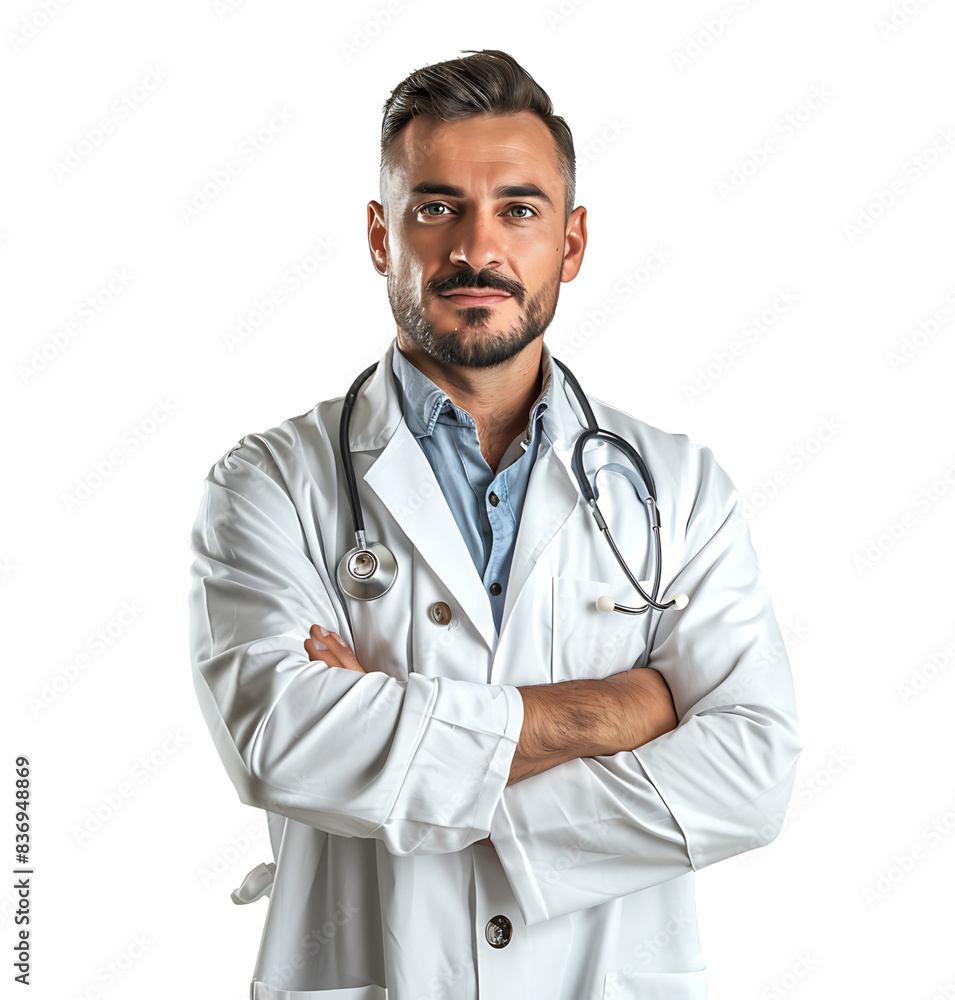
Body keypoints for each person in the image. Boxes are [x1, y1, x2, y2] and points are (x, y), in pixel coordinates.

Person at [188, 48, 802, 1000]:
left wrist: (407, 745)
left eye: (518, 209)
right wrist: (615, 713)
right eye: (436, 208)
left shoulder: (677, 487)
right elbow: (287, 744)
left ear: (572, 241)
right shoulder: (269, 484)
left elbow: (752, 774)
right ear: (379, 235)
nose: (477, 249)